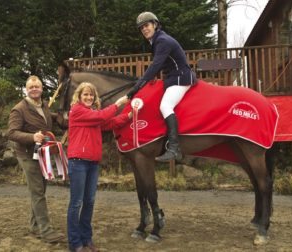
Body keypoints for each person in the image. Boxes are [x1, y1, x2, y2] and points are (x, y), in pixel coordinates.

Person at [67, 82, 131, 252]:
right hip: (78, 162)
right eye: (85, 95)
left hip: (93, 163)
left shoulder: (93, 114)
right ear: (79, 97)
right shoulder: (77, 111)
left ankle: (86, 238)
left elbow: (109, 123)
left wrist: (129, 115)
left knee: (89, 201)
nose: (89, 98)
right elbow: (103, 117)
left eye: (91, 95)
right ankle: (75, 242)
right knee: (76, 203)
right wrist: (118, 103)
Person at [126, 11, 197, 162]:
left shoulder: (162, 41)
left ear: (155, 25)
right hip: (172, 78)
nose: (144, 29)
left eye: (146, 25)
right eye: (141, 28)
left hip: (181, 78)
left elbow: (154, 67)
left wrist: (136, 88)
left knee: (165, 106)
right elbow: (164, 64)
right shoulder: (157, 40)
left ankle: (174, 148)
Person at [8, 75, 65, 243]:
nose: (34, 89)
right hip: (27, 154)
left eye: (37, 86)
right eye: (31, 87)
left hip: (42, 153)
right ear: (27, 89)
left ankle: (34, 226)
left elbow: (49, 116)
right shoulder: (19, 109)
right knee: (38, 192)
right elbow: (11, 132)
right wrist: (32, 137)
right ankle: (46, 230)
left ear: (41, 89)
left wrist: (61, 117)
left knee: (39, 190)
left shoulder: (44, 105)